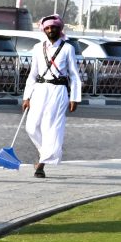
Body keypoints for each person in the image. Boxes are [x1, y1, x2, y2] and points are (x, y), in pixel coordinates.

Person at [20, 14, 81, 178]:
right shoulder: (37, 48)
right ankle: (46, 152)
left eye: (53, 27)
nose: (50, 30)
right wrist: (27, 97)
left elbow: (74, 75)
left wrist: (75, 97)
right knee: (31, 127)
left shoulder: (68, 48)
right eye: (47, 28)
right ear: (43, 30)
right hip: (39, 90)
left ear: (59, 29)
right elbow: (32, 75)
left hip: (58, 92)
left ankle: (41, 164)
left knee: (51, 127)